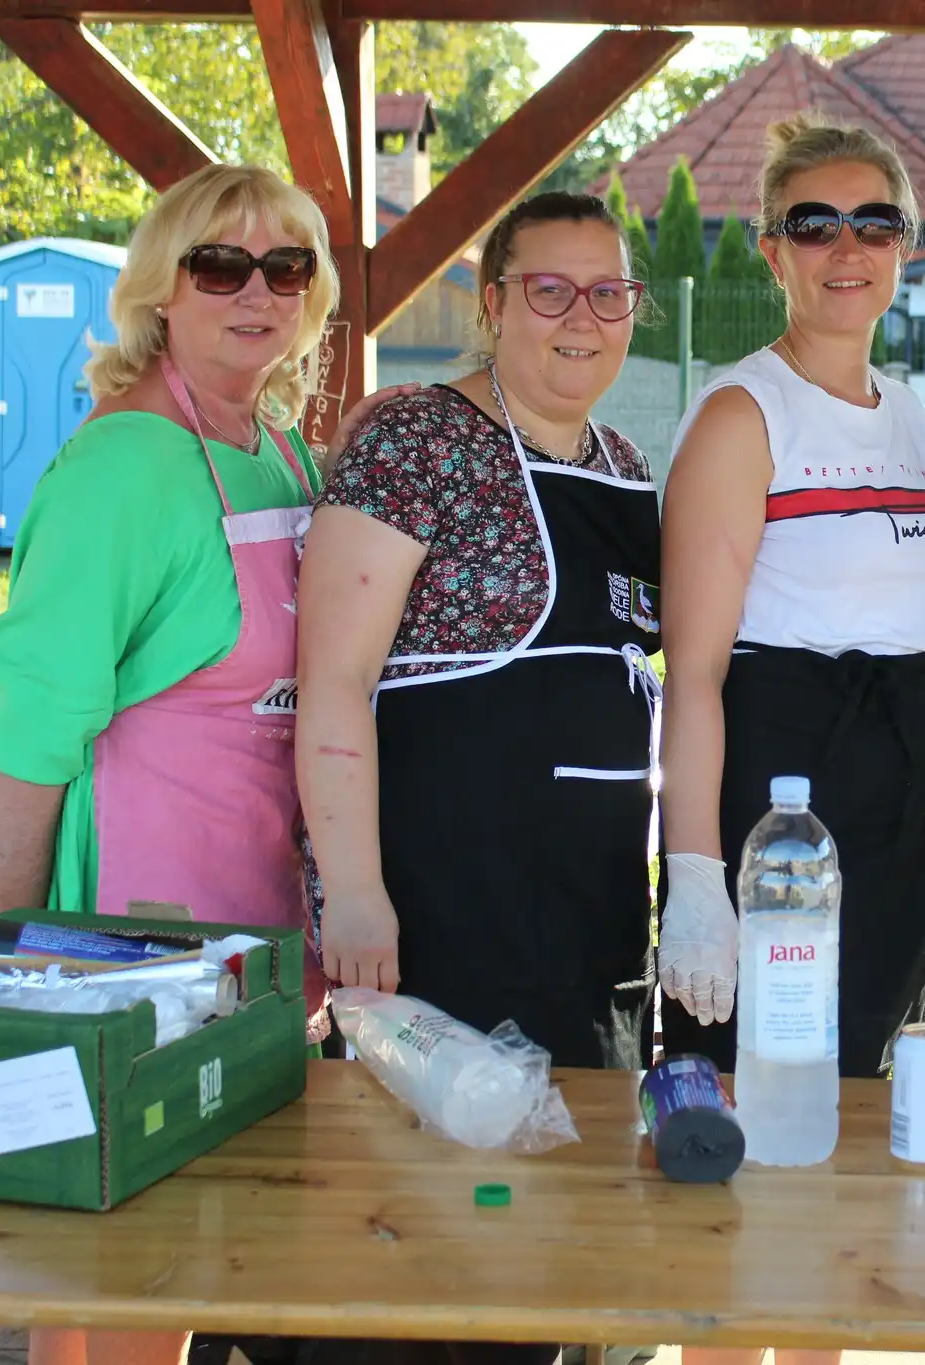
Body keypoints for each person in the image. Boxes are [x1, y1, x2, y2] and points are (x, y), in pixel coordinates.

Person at [0, 163, 397, 1365]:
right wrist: (20, 948)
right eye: (221, 266)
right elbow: (27, 730)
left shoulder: (278, 450)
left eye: (287, 267)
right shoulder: (123, 467)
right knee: (132, 1277)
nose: (256, 292)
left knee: (191, 1260)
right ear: (163, 289)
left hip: (257, 934)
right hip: (134, 947)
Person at [299, 191, 659, 1073]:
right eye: (550, 290)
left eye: (608, 293)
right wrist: (353, 891)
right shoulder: (415, 441)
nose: (583, 317)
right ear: (493, 303)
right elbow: (336, 679)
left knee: (590, 1153)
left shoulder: (627, 465)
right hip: (443, 909)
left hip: (599, 914)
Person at [656, 116, 925, 1080]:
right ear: (772, 251)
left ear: (905, 246)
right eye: (814, 224)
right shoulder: (742, 414)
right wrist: (695, 876)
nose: (847, 248)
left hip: (904, 787)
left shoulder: (910, 416)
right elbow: (694, 672)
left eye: (875, 224)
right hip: (781, 799)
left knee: (887, 1087)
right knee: (775, 1091)